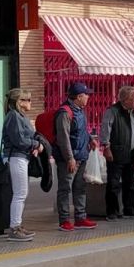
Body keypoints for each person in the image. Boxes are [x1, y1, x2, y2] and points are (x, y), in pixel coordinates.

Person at [53, 82, 97, 231]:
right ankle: (64, 220)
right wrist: (69, 158)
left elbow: (81, 130)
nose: (88, 97)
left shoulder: (79, 111)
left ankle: (80, 218)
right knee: (65, 189)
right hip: (69, 159)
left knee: (80, 188)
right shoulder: (65, 113)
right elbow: (63, 137)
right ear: (79, 97)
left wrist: (90, 139)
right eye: (86, 95)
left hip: (81, 155)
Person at [1, 88, 41, 242]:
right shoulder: (14, 116)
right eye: (28, 99)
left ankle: (17, 225)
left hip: (21, 157)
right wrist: (36, 144)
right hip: (16, 158)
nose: (30, 102)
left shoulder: (19, 116)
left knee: (21, 193)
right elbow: (19, 140)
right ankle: (14, 228)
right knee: (20, 193)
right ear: (19, 102)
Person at [99, 85, 134, 220]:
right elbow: (105, 129)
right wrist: (106, 147)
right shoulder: (113, 111)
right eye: (133, 97)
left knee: (130, 183)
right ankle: (112, 212)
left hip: (131, 154)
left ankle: (129, 210)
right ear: (124, 99)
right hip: (116, 153)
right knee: (113, 183)